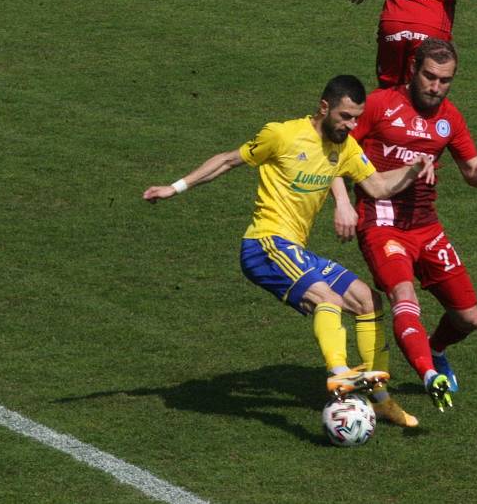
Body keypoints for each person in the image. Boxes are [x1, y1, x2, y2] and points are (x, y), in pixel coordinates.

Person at [143, 75, 435, 427]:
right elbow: (227, 160)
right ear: (324, 107)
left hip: (294, 248)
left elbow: (377, 187)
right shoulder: (282, 135)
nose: (351, 125)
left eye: (357, 118)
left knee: (366, 300)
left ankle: (382, 400)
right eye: (345, 117)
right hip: (264, 244)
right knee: (326, 299)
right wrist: (175, 188)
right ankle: (340, 373)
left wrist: (414, 169)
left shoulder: (343, 147)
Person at [330, 39, 477, 411]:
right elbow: (333, 152)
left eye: (445, 80)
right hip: (381, 223)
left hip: (426, 226)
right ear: (412, 71)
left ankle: (435, 349)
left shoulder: (449, 118)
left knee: (469, 318)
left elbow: (472, 172)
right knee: (404, 296)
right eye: (430, 77)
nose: (436, 87)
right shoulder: (378, 105)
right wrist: (343, 202)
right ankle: (428, 375)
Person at [347, 0, 477, 88]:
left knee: (387, 92)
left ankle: (376, 150)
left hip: (394, 24)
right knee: (422, 93)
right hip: (429, 26)